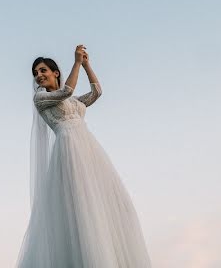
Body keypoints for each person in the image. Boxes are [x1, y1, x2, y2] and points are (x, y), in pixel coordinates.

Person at [16, 45, 152, 267]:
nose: (39, 76)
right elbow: (66, 91)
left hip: (89, 150)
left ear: (54, 73)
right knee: (80, 206)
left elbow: (96, 92)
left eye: (42, 71)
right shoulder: (41, 99)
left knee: (107, 203)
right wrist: (76, 62)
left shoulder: (73, 103)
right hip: (69, 149)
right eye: (36, 73)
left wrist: (87, 64)